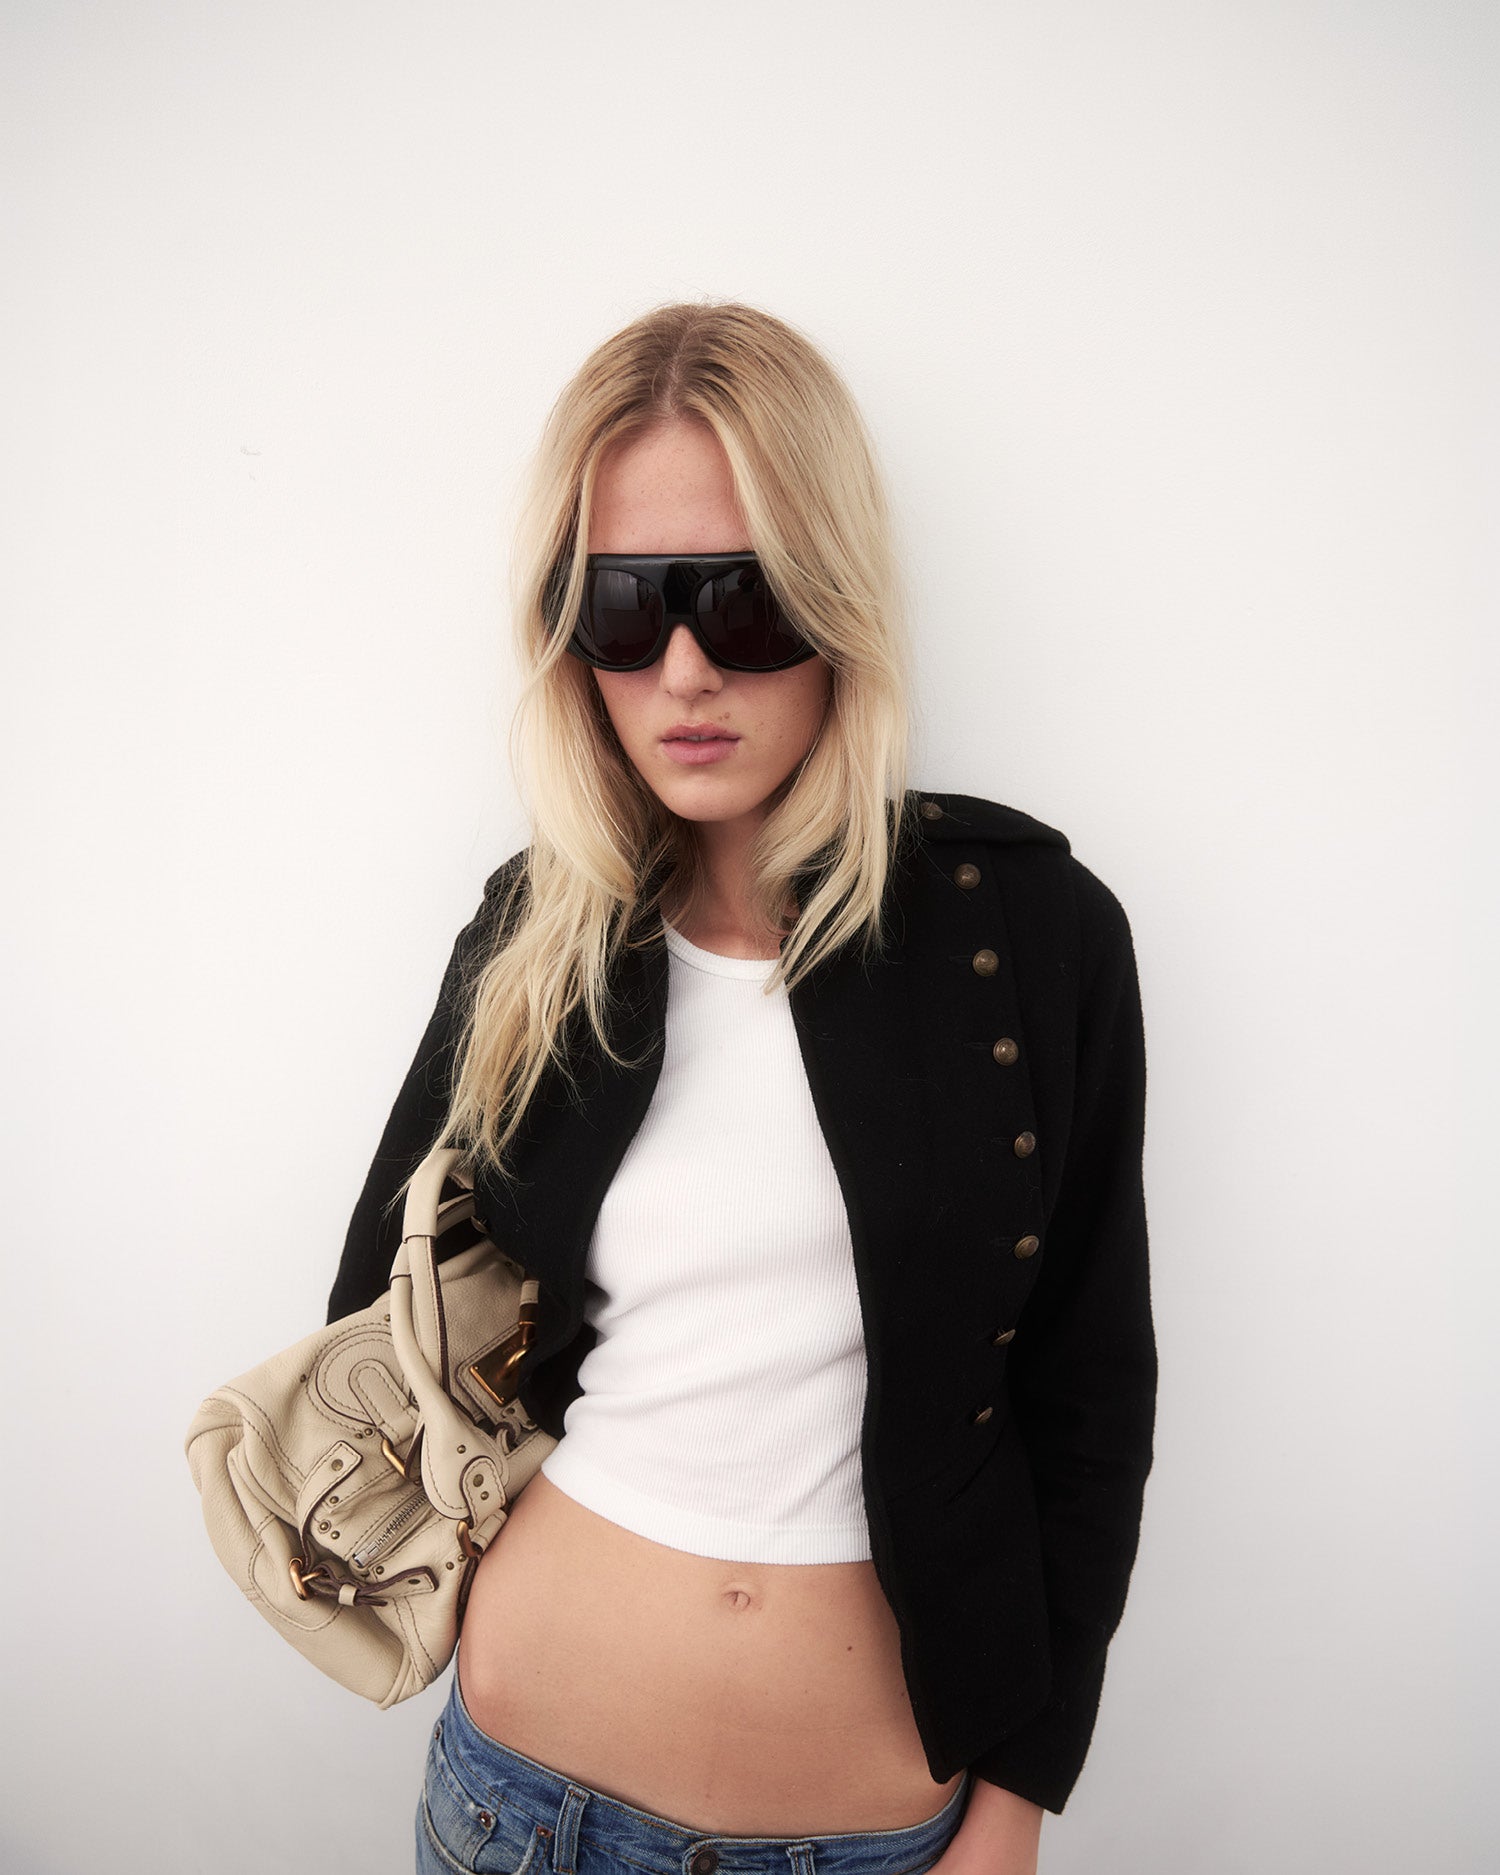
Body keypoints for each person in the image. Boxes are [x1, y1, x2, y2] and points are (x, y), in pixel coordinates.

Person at [326, 300, 1157, 1875]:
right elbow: (381, 1307)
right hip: (519, 1808)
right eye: (623, 607)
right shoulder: (537, 936)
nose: (687, 668)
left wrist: (1016, 1809)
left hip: (873, 1838)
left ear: (836, 599)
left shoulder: (1034, 933)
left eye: (745, 598)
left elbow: (1088, 1394)